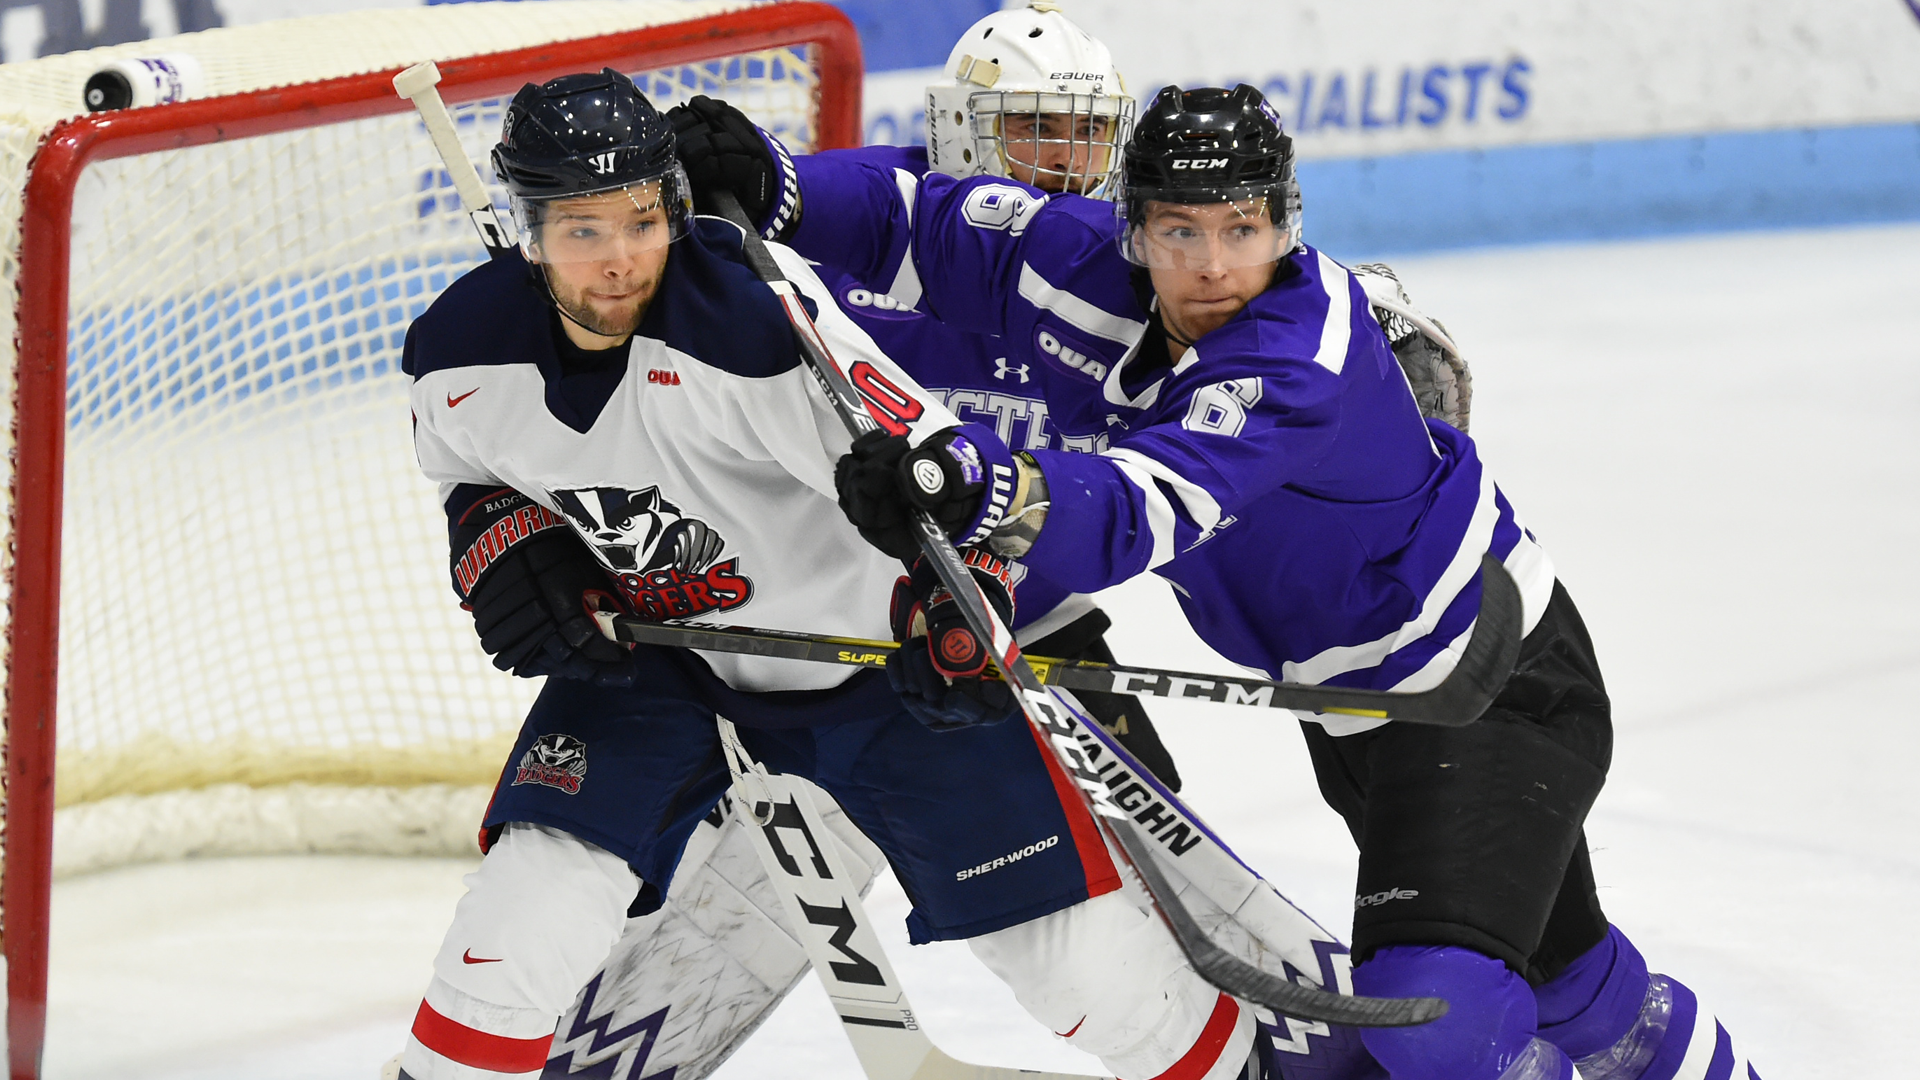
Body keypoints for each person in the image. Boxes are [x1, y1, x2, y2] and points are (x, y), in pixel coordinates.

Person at [694, 82, 1765, 1080]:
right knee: (1574, 986)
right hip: (1357, 709)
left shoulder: (1297, 358)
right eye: (1181, 232)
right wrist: (779, 182)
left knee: (1431, 1017)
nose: (1212, 265)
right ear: (1136, 230)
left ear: (1284, 226)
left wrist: (980, 485)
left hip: (1483, 689)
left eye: (1241, 230)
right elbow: (924, 219)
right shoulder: (1083, 266)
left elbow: (1144, 506)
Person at [394, 68, 1291, 1080]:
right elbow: (471, 472)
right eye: (582, 230)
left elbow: (939, 483)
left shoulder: (751, 328)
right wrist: (513, 549)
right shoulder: (457, 351)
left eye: (641, 220)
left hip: (874, 668)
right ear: (528, 228)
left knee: (1084, 974)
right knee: (519, 921)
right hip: (658, 657)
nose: (619, 261)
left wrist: (952, 608)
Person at [671, 0, 1188, 789]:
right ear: (959, 127)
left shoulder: (1123, 258)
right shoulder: (877, 210)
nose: (1066, 161)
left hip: (1029, 604)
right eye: (1035, 127)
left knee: (1149, 838)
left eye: (1087, 131)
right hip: (850, 607)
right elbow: (811, 195)